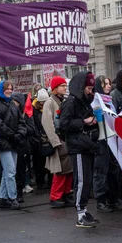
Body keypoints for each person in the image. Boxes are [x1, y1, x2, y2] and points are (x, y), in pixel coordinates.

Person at [59, 72, 99, 228]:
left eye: (91, 88)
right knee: (82, 181)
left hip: (86, 144)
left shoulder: (84, 102)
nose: (90, 91)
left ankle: (84, 210)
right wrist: (84, 121)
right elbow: (64, 124)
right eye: (88, 88)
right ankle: (80, 213)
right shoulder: (71, 102)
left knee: (87, 180)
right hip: (77, 146)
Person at [0, 81, 27, 210]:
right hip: (4, 143)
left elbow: (22, 122)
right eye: (7, 89)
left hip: (14, 142)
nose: (9, 91)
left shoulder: (13, 104)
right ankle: (13, 197)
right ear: (1, 90)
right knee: (11, 171)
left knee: (8, 172)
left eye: (11, 88)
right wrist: (13, 135)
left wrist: (20, 134)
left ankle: (3, 197)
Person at [42, 76, 73, 208]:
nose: (65, 88)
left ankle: (66, 193)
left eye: (65, 86)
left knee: (69, 169)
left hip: (67, 139)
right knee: (59, 171)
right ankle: (55, 196)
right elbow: (47, 123)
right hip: (59, 140)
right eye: (62, 86)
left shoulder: (64, 101)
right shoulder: (49, 102)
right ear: (55, 88)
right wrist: (55, 142)